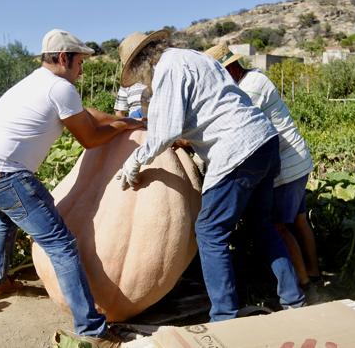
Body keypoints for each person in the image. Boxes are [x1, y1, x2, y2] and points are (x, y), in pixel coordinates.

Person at [0, 29, 143, 347]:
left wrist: (130, 121)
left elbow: (86, 115)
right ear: (62, 58)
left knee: (5, 218)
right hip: (0, 175)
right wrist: (127, 124)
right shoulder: (60, 87)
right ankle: (93, 330)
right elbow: (90, 138)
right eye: (79, 61)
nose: (82, 69)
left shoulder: (36, 82)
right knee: (62, 245)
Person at [114, 30, 305, 321]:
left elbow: (166, 130)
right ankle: (294, 300)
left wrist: (136, 160)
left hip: (236, 149)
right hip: (264, 142)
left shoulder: (166, 69)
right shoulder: (196, 58)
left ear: (142, 63)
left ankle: (224, 317)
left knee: (210, 232)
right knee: (262, 226)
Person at [204, 43, 321, 289]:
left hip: (285, 167)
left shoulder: (250, 88)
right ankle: (314, 272)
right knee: (299, 221)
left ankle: (302, 281)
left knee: (278, 227)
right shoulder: (252, 80)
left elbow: (240, 129)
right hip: (296, 160)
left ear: (232, 68)